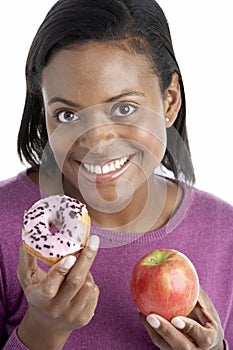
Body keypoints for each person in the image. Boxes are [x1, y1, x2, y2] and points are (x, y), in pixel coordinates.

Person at [0, 0, 232, 349]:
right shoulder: (4, 225)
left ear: (169, 101)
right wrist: (43, 332)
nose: (95, 141)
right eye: (66, 115)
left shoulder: (224, 232)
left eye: (124, 108)